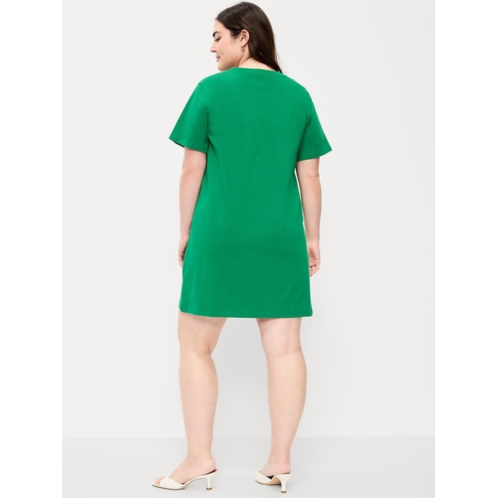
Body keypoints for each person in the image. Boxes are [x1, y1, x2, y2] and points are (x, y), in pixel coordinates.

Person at [153, 1, 332, 493]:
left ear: (243, 37)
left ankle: (199, 459)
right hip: (280, 237)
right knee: (285, 349)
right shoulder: (297, 95)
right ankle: (279, 463)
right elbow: (311, 175)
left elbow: (192, 167)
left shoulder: (211, 90)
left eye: (217, 36)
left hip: (219, 233)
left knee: (194, 345)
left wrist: (185, 230)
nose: (211, 47)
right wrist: (312, 238)